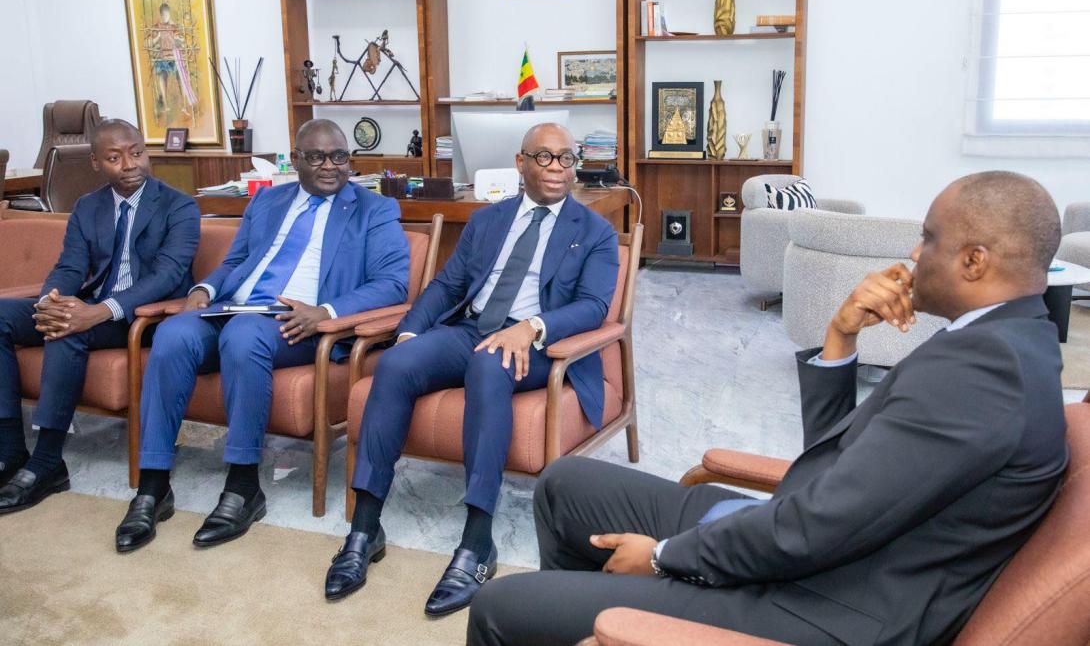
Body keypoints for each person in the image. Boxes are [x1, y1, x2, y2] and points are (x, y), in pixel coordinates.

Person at [467, 171, 1069, 646]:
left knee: (500, 607)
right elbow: (840, 464)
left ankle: (599, 616)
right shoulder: (1001, 342)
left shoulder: (984, 374)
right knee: (565, 485)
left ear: (974, 261)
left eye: (930, 238)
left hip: (822, 603)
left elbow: (822, 525)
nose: (915, 251)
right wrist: (840, 337)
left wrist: (662, 558)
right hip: (813, 544)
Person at [326, 123, 618, 614]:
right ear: (521, 162)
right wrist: (410, 332)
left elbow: (593, 305)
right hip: (471, 329)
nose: (557, 168)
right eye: (544, 157)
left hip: (536, 344)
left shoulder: (595, 232)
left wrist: (532, 326)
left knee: (488, 364)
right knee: (395, 363)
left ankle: (478, 541)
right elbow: (447, 285)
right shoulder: (488, 220)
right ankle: (365, 527)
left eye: (566, 159)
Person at [115, 119, 409, 553]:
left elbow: (392, 284)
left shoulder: (375, 210)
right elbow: (236, 261)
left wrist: (324, 312)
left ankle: (243, 486)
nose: (330, 166)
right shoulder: (269, 201)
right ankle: (153, 486)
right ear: (296, 160)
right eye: (317, 157)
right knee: (173, 334)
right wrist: (203, 290)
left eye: (339, 157)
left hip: (299, 323)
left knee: (244, 335)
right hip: (234, 308)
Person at [0, 119, 200, 514]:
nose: (130, 164)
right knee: (5, 315)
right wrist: (51, 302)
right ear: (96, 163)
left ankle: (47, 461)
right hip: (88, 306)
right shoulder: (88, 206)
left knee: (69, 331)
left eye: (137, 153)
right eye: (114, 158)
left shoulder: (179, 206)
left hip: (139, 318)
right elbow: (70, 267)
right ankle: (9, 451)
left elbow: (167, 275)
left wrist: (97, 312)